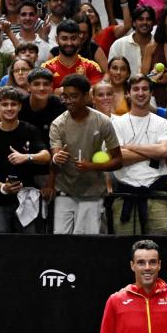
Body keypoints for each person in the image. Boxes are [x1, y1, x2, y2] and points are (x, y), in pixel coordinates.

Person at [47, 74, 122, 234]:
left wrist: (91, 166)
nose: (68, 101)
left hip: (93, 193)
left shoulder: (103, 122)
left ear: (86, 96)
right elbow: (55, 155)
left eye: (74, 96)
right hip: (65, 192)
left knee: (87, 243)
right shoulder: (58, 124)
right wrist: (56, 158)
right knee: (61, 240)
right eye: (65, 96)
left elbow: (118, 160)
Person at [0, 86, 50, 233]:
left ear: (20, 106)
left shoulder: (30, 130)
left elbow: (46, 156)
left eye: (13, 104)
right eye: (5, 104)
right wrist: (2, 187)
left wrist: (27, 157)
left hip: (26, 198)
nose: (9, 108)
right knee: (0, 247)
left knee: (29, 247)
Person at [110, 74, 167, 235]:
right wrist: (153, 152)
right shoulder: (117, 123)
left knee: (161, 244)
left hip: (156, 192)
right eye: (136, 89)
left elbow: (164, 151)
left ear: (151, 93)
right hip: (126, 193)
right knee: (125, 248)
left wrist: (130, 147)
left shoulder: (162, 122)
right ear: (128, 93)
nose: (140, 93)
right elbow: (118, 158)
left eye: (145, 89)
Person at [42, 20, 103, 89]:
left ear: (79, 40)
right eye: (64, 39)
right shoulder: (46, 68)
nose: (69, 43)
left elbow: (97, 94)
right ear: (57, 40)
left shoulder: (92, 67)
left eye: (73, 38)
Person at [108, 5, 155, 77]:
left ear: (153, 23)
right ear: (133, 23)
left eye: (148, 19)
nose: (145, 22)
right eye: (140, 19)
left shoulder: (159, 44)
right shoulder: (119, 45)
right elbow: (111, 73)